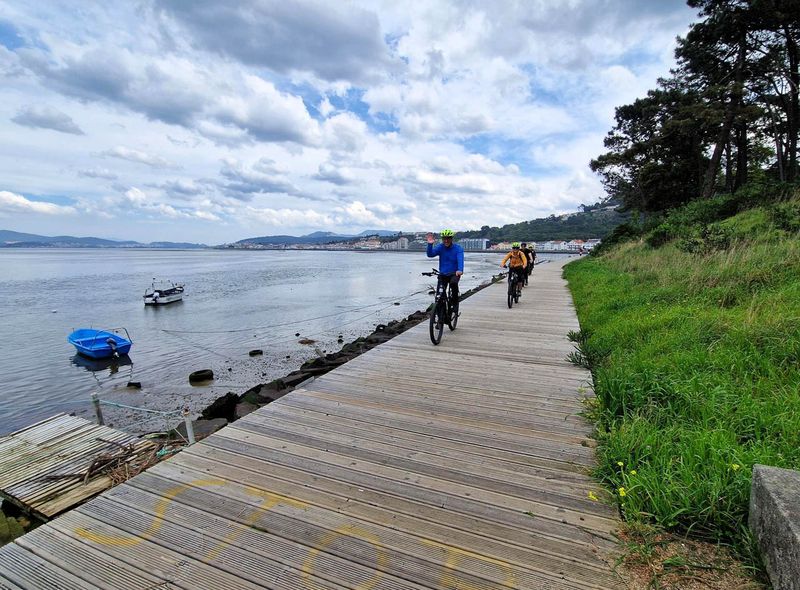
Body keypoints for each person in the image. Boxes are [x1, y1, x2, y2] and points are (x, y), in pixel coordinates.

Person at [426, 229, 464, 305]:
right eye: (444, 238)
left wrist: (460, 269)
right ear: (442, 239)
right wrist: (430, 244)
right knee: (439, 296)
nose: (446, 240)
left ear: (451, 239)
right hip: (443, 274)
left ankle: (454, 303)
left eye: (448, 238)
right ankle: (440, 314)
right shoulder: (440, 247)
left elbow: (460, 259)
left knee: (453, 284)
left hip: (454, 273)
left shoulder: (458, 248)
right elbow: (430, 254)